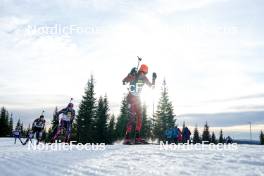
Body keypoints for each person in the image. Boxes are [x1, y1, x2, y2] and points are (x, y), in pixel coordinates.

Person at [123, 64, 157, 144]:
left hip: (138, 99)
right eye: (142, 72)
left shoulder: (144, 78)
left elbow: (152, 87)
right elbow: (124, 82)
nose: (143, 74)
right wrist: (130, 74)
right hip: (131, 98)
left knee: (139, 117)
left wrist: (154, 79)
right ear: (140, 71)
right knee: (131, 118)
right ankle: (127, 138)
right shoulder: (134, 75)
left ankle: (137, 137)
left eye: (144, 73)